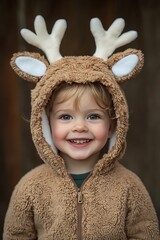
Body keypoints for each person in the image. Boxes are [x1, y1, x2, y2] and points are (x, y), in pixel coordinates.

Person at [3, 15, 160, 239]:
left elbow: (147, 234)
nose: (79, 127)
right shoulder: (30, 187)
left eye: (93, 116)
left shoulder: (129, 186)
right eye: (66, 117)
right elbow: (15, 235)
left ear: (114, 124)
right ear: (45, 123)